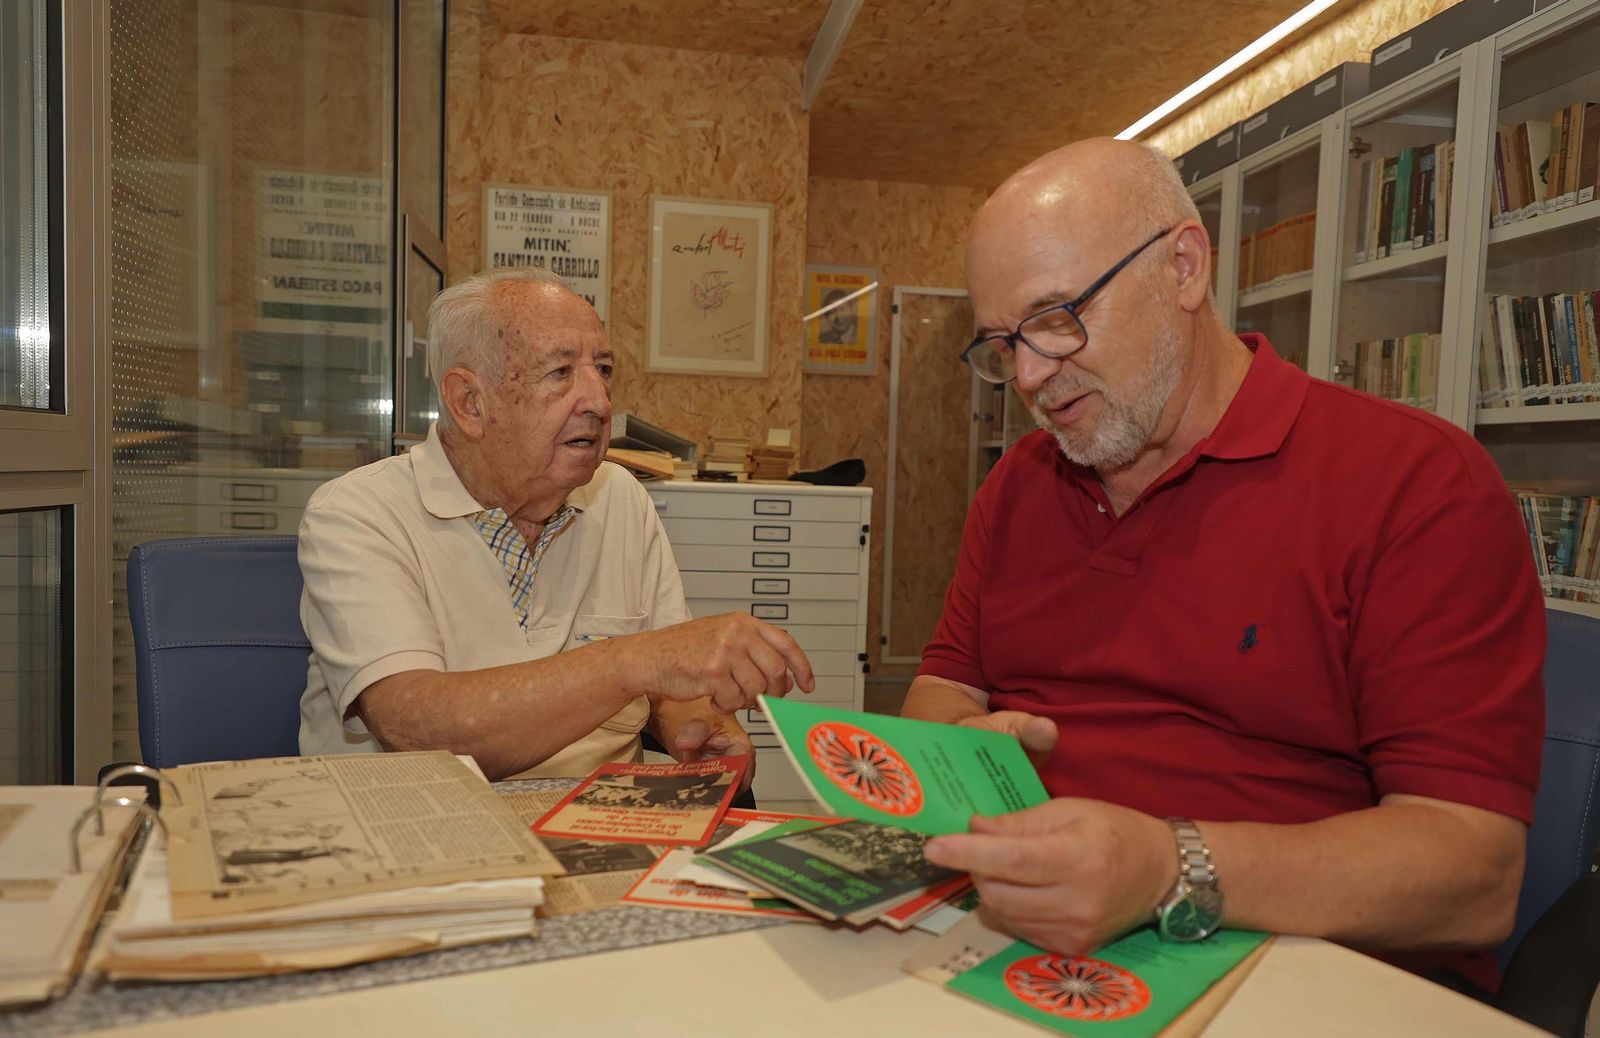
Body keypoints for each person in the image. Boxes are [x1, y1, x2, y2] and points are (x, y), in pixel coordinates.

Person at [908, 138, 1544, 991]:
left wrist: (1169, 867)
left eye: (1058, 318)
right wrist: (956, 752)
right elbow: (947, 692)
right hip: (1031, 946)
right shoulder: (1019, 488)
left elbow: (1474, 874)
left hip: (1309, 974)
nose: (1028, 375)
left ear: (1183, 267)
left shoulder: (1417, 484)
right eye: (1000, 344)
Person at [297, 268, 814, 784]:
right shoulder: (357, 512)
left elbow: (666, 688)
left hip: (595, 828)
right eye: (561, 373)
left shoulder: (620, 498)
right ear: (469, 403)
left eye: (604, 370)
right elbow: (414, 725)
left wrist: (700, 726)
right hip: (419, 836)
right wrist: (633, 661)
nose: (600, 402)